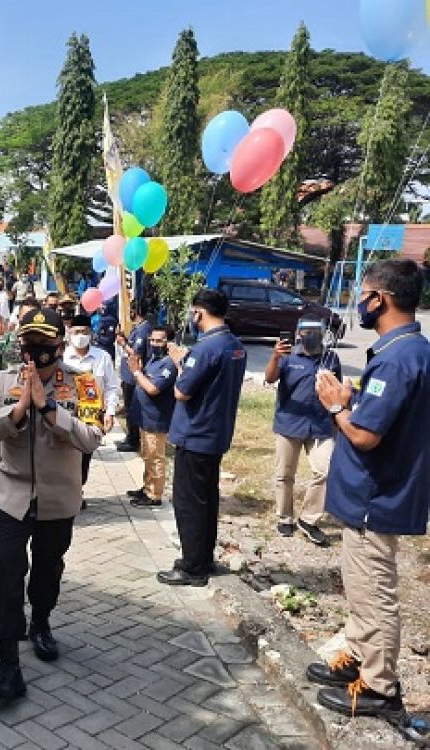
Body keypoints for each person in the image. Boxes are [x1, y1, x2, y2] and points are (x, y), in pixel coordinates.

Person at [307, 259, 429, 720]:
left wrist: (338, 408)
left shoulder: (398, 358)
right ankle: (357, 660)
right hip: (370, 496)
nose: (359, 301)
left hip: (374, 500)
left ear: (381, 299)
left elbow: (364, 436)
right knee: (360, 590)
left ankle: (380, 688)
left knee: (374, 594)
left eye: (364, 293)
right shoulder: (407, 350)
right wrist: (353, 401)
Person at [0, 307, 104, 701]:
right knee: (5, 578)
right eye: (28, 344)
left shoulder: (83, 383)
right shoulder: (3, 381)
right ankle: (7, 666)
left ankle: (41, 622)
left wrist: (49, 409)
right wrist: (17, 411)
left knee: (47, 573)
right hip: (11, 498)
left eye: (44, 346)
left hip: (58, 500)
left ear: (59, 347)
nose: (33, 353)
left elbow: (92, 437)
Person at [158, 288, 246, 587]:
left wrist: (180, 364)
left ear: (199, 312)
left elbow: (182, 391)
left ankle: (192, 566)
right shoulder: (235, 345)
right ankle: (204, 557)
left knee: (188, 502)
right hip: (216, 433)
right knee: (207, 499)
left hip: (196, 434)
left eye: (193, 312)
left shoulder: (206, 348)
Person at [264, 318, 341, 545]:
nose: (308, 335)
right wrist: (275, 356)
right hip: (290, 424)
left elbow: (337, 390)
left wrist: (338, 420)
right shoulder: (288, 356)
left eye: (314, 332)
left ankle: (309, 519)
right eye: (304, 331)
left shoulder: (331, 358)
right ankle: (285, 516)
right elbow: (270, 378)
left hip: (320, 425)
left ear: (322, 334)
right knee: (285, 474)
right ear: (298, 334)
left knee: (326, 470)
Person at [63, 314, 120, 501]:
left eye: (84, 332)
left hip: (91, 417)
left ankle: (78, 489)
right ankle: (68, 492)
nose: (80, 335)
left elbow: (112, 387)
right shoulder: (62, 357)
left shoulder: (102, 357)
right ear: (69, 333)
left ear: (91, 333)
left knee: (84, 456)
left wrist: (110, 413)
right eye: (76, 332)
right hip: (65, 415)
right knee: (65, 455)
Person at [126, 324, 179, 508]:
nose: (155, 344)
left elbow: (153, 388)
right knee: (147, 454)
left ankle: (154, 495)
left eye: (160, 340)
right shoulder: (154, 359)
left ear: (168, 342)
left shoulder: (169, 364)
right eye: (152, 340)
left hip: (157, 418)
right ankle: (147, 486)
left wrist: (135, 371)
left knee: (155, 456)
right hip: (145, 416)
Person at [116, 301, 152, 453]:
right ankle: (130, 437)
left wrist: (123, 344)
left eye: (130, 310)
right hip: (128, 375)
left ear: (135, 311)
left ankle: (133, 440)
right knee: (129, 408)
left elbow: (136, 354)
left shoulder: (143, 330)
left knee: (131, 409)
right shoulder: (137, 328)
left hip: (133, 376)